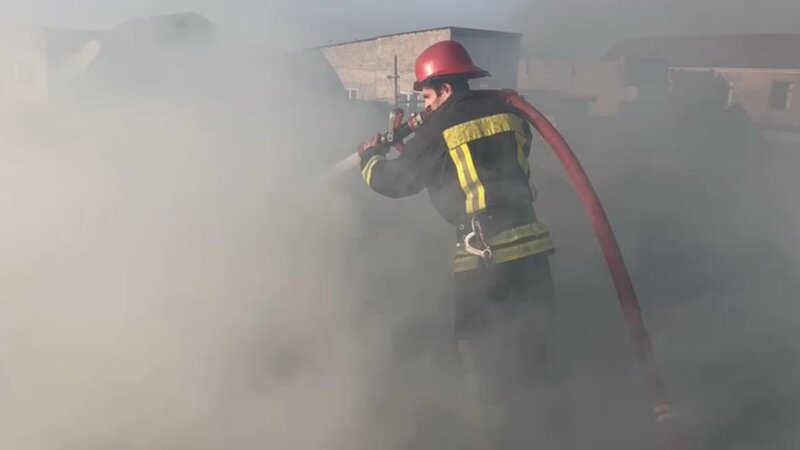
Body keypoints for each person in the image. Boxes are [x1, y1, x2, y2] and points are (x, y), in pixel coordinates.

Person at [356, 40, 559, 448]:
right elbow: (477, 160)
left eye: (427, 96)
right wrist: (420, 146)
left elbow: (398, 182)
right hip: (532, 250)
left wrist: (371, 158)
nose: (425, 105)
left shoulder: (439, 127)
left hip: (483, 257)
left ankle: (488, 436)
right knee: (535, 350)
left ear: (446, 88)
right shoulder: (507, 112)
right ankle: (544, 431)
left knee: (479, 353)